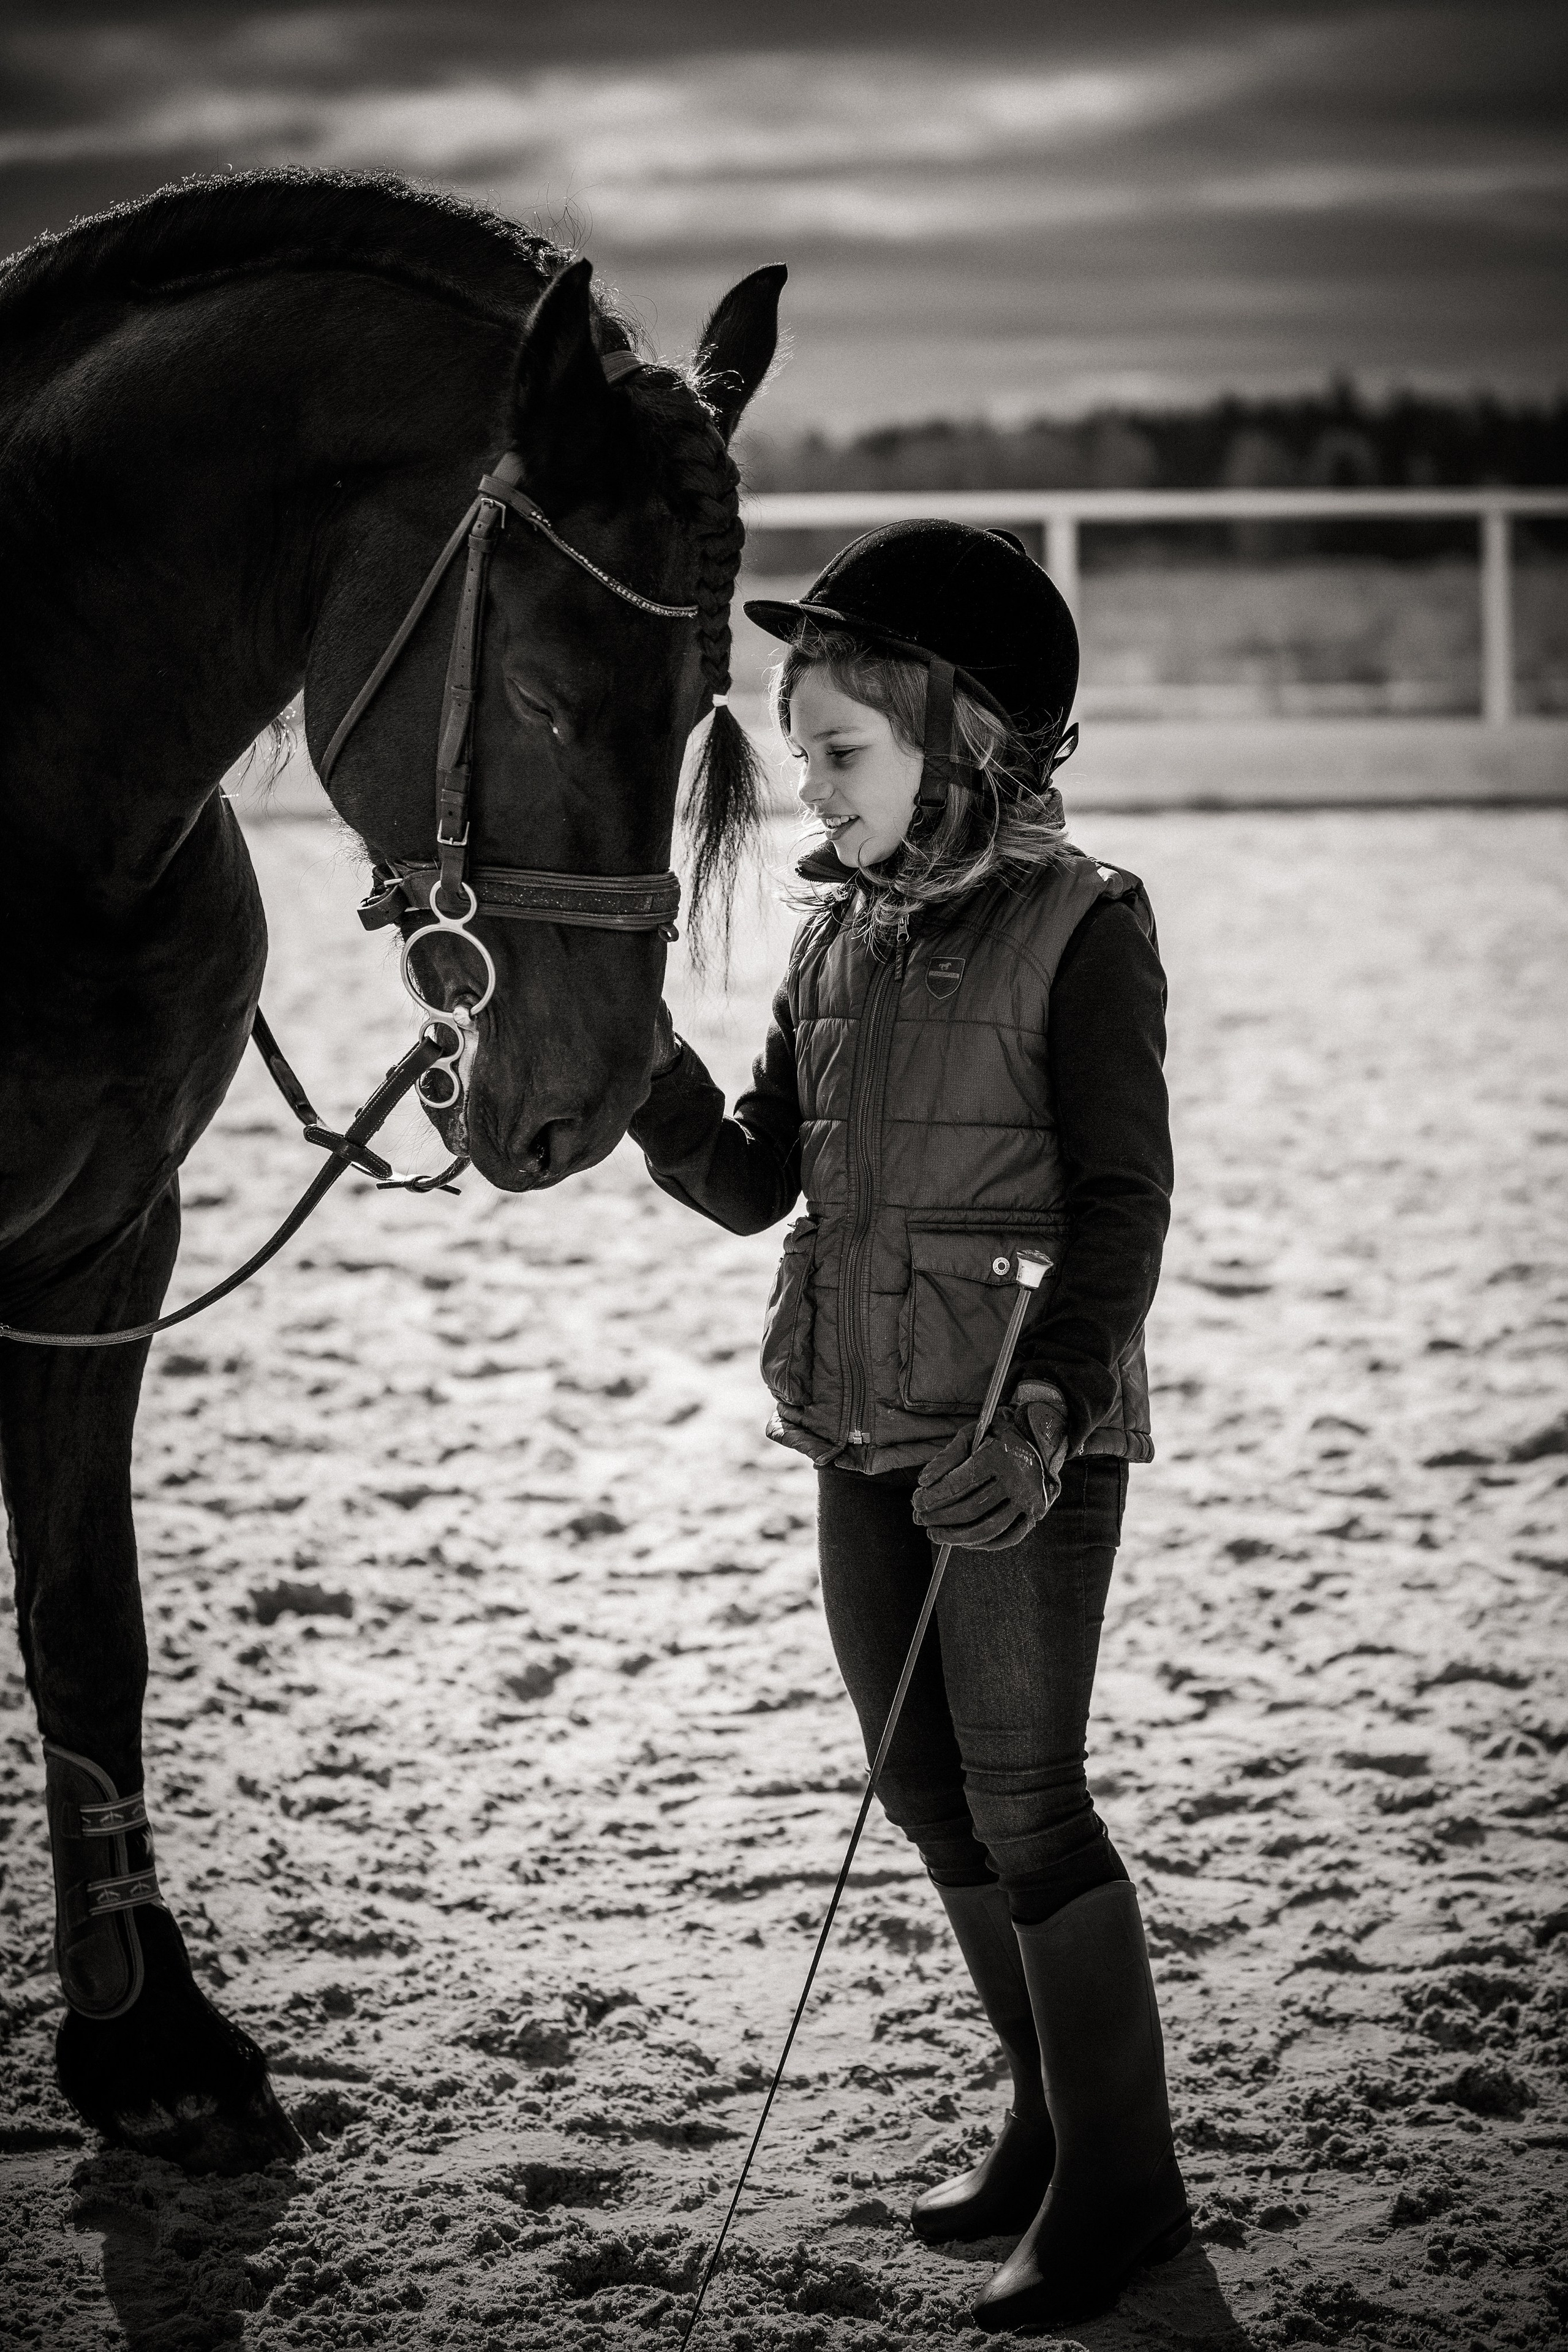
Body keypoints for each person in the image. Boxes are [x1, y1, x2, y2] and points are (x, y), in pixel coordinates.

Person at [629, 521, 1188, 2330]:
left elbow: (1125, 1204)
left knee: (1030, 1799)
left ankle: (1127, 2189)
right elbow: (750, 1181)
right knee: (924, 1790)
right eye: (801, 754)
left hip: (1020, 1451)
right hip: (860, 1433)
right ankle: (1042, 2119)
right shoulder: (838, 942)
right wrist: (632, 1063)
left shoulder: (1083, 929)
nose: (810, 784)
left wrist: (1043, 1411)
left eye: (841, 752)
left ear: (968, 743)